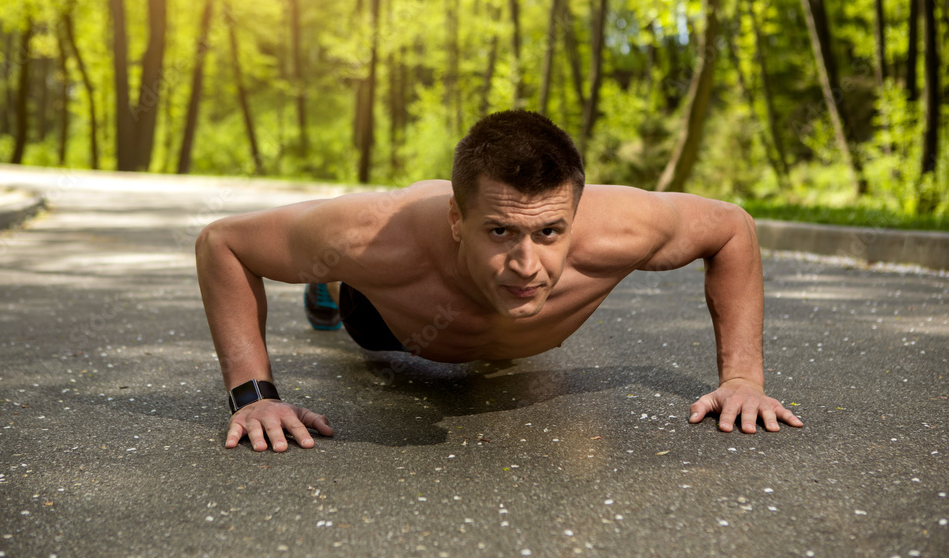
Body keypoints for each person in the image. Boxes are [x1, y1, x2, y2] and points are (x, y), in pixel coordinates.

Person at [195, 110, 803, 453]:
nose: (528, 266)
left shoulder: (622, 231)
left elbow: (731, 228)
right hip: (388, 321)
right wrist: (254, 397)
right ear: (458, 219)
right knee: (344, 282)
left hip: (490, 330)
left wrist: (743, 378)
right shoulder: (371, 236)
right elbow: (223, 243)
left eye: (548, 234)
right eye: (501, 233)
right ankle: (327, 289)